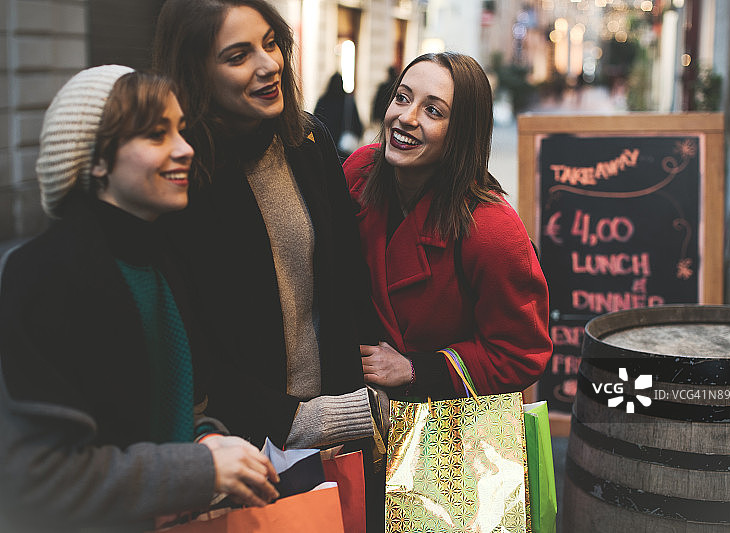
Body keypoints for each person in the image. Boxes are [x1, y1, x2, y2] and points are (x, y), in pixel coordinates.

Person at [0, 66, 279, 531]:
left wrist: (210, 443)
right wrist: (200, 468)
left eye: (181, 130)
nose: (185, 149)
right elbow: (40, 479)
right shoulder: (44, 273)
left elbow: (173, 414)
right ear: (95, 160)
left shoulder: (158, 258)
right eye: (155, 134)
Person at [153, 0, 382, 453]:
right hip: (241, 447)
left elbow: (349, 285)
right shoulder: (180, 175)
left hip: (336, 430)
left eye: (270, 44)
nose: (267, 65)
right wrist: (289, 419)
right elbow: (188, 341)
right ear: (196, 71)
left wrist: (357, 399)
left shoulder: (307, 141)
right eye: (238, 56)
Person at [344, 52, 553, 399]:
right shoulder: (361, 170)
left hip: (445, 432)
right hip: (357, 410)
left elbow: (521, 354)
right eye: (402, 98)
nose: (405, 118)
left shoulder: (492, 229)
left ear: (462, 131)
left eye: (433, 111)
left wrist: (415, 369)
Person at [314, 72, 364, 158]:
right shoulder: (348, 101)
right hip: (343, 149)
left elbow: (315, 122)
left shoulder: (323, 101)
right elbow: (358, 126)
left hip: (325, 147)